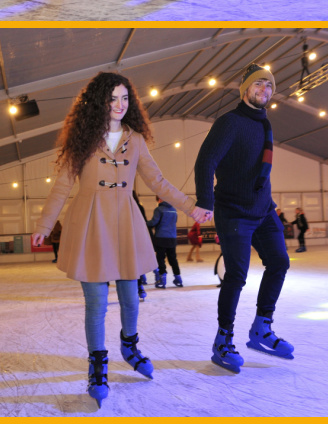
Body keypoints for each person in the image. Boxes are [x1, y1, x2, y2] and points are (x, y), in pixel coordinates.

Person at [30, 72, 211, 407]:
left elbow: (157, 181)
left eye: (125, 98)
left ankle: (130, 345)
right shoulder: (83, 140)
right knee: (96, 303)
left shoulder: (136, 140)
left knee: (131, 298)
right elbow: (62, 186)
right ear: (99, 102)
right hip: (90, 224)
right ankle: (97, 365)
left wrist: (191, 206)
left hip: (126, 224)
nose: (119, 105)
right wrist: (45, 223)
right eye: (112, 98)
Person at [195, 64, 293, 373]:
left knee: (279, 262)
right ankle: (223, 340)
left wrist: (271, 204)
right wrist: (205, 201)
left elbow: (257, 169)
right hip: (234, 211)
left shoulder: (265, 125)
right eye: (258, 85)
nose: (264, 90)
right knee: (236, 276)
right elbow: (205, 161)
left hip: (263, 210)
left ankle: (262, 327)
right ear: (245, 89)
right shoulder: (230, 123)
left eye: (269, 86)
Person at [147, 199, 183, 288]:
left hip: (161, 237)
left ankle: (162, 279)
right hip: (172, 237)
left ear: (160, 199)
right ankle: (178, 278)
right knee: (173, 259)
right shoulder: (174, 210)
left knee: (160, 258)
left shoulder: (159, 209)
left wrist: (144, 223)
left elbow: (154, 222)